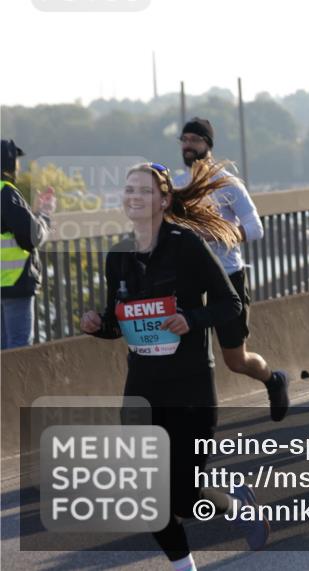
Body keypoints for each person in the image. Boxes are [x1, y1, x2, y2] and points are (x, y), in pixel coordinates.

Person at [80, 161, 269, 570]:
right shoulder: (119, 257)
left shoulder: (187, 246)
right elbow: (121, 323)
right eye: (129, 189)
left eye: (144, 190)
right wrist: (98, 324)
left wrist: (192, 319)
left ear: (164, 200)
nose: (134, 196)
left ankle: (237, 505)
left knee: (184, 495)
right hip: (144, 386)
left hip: (191, 386)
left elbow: (229, 303)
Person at [172, 118, 289, 421]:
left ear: (208, 145)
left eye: (195, 140)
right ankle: (193, 414)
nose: (188, 145)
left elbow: (256, 228)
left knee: (235, 360)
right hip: (188, 280)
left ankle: (273, 380)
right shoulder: (177, 185)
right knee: (184, 352)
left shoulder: (227, 184)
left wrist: (217, 234)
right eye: (184, 139)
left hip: (227, 277)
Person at [1, 140, 55, 349]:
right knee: (19, 349)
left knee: (3, 350)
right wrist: (45, 215)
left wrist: (32, 212)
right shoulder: (5, 192)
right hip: (14, 282)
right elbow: (31, 237)